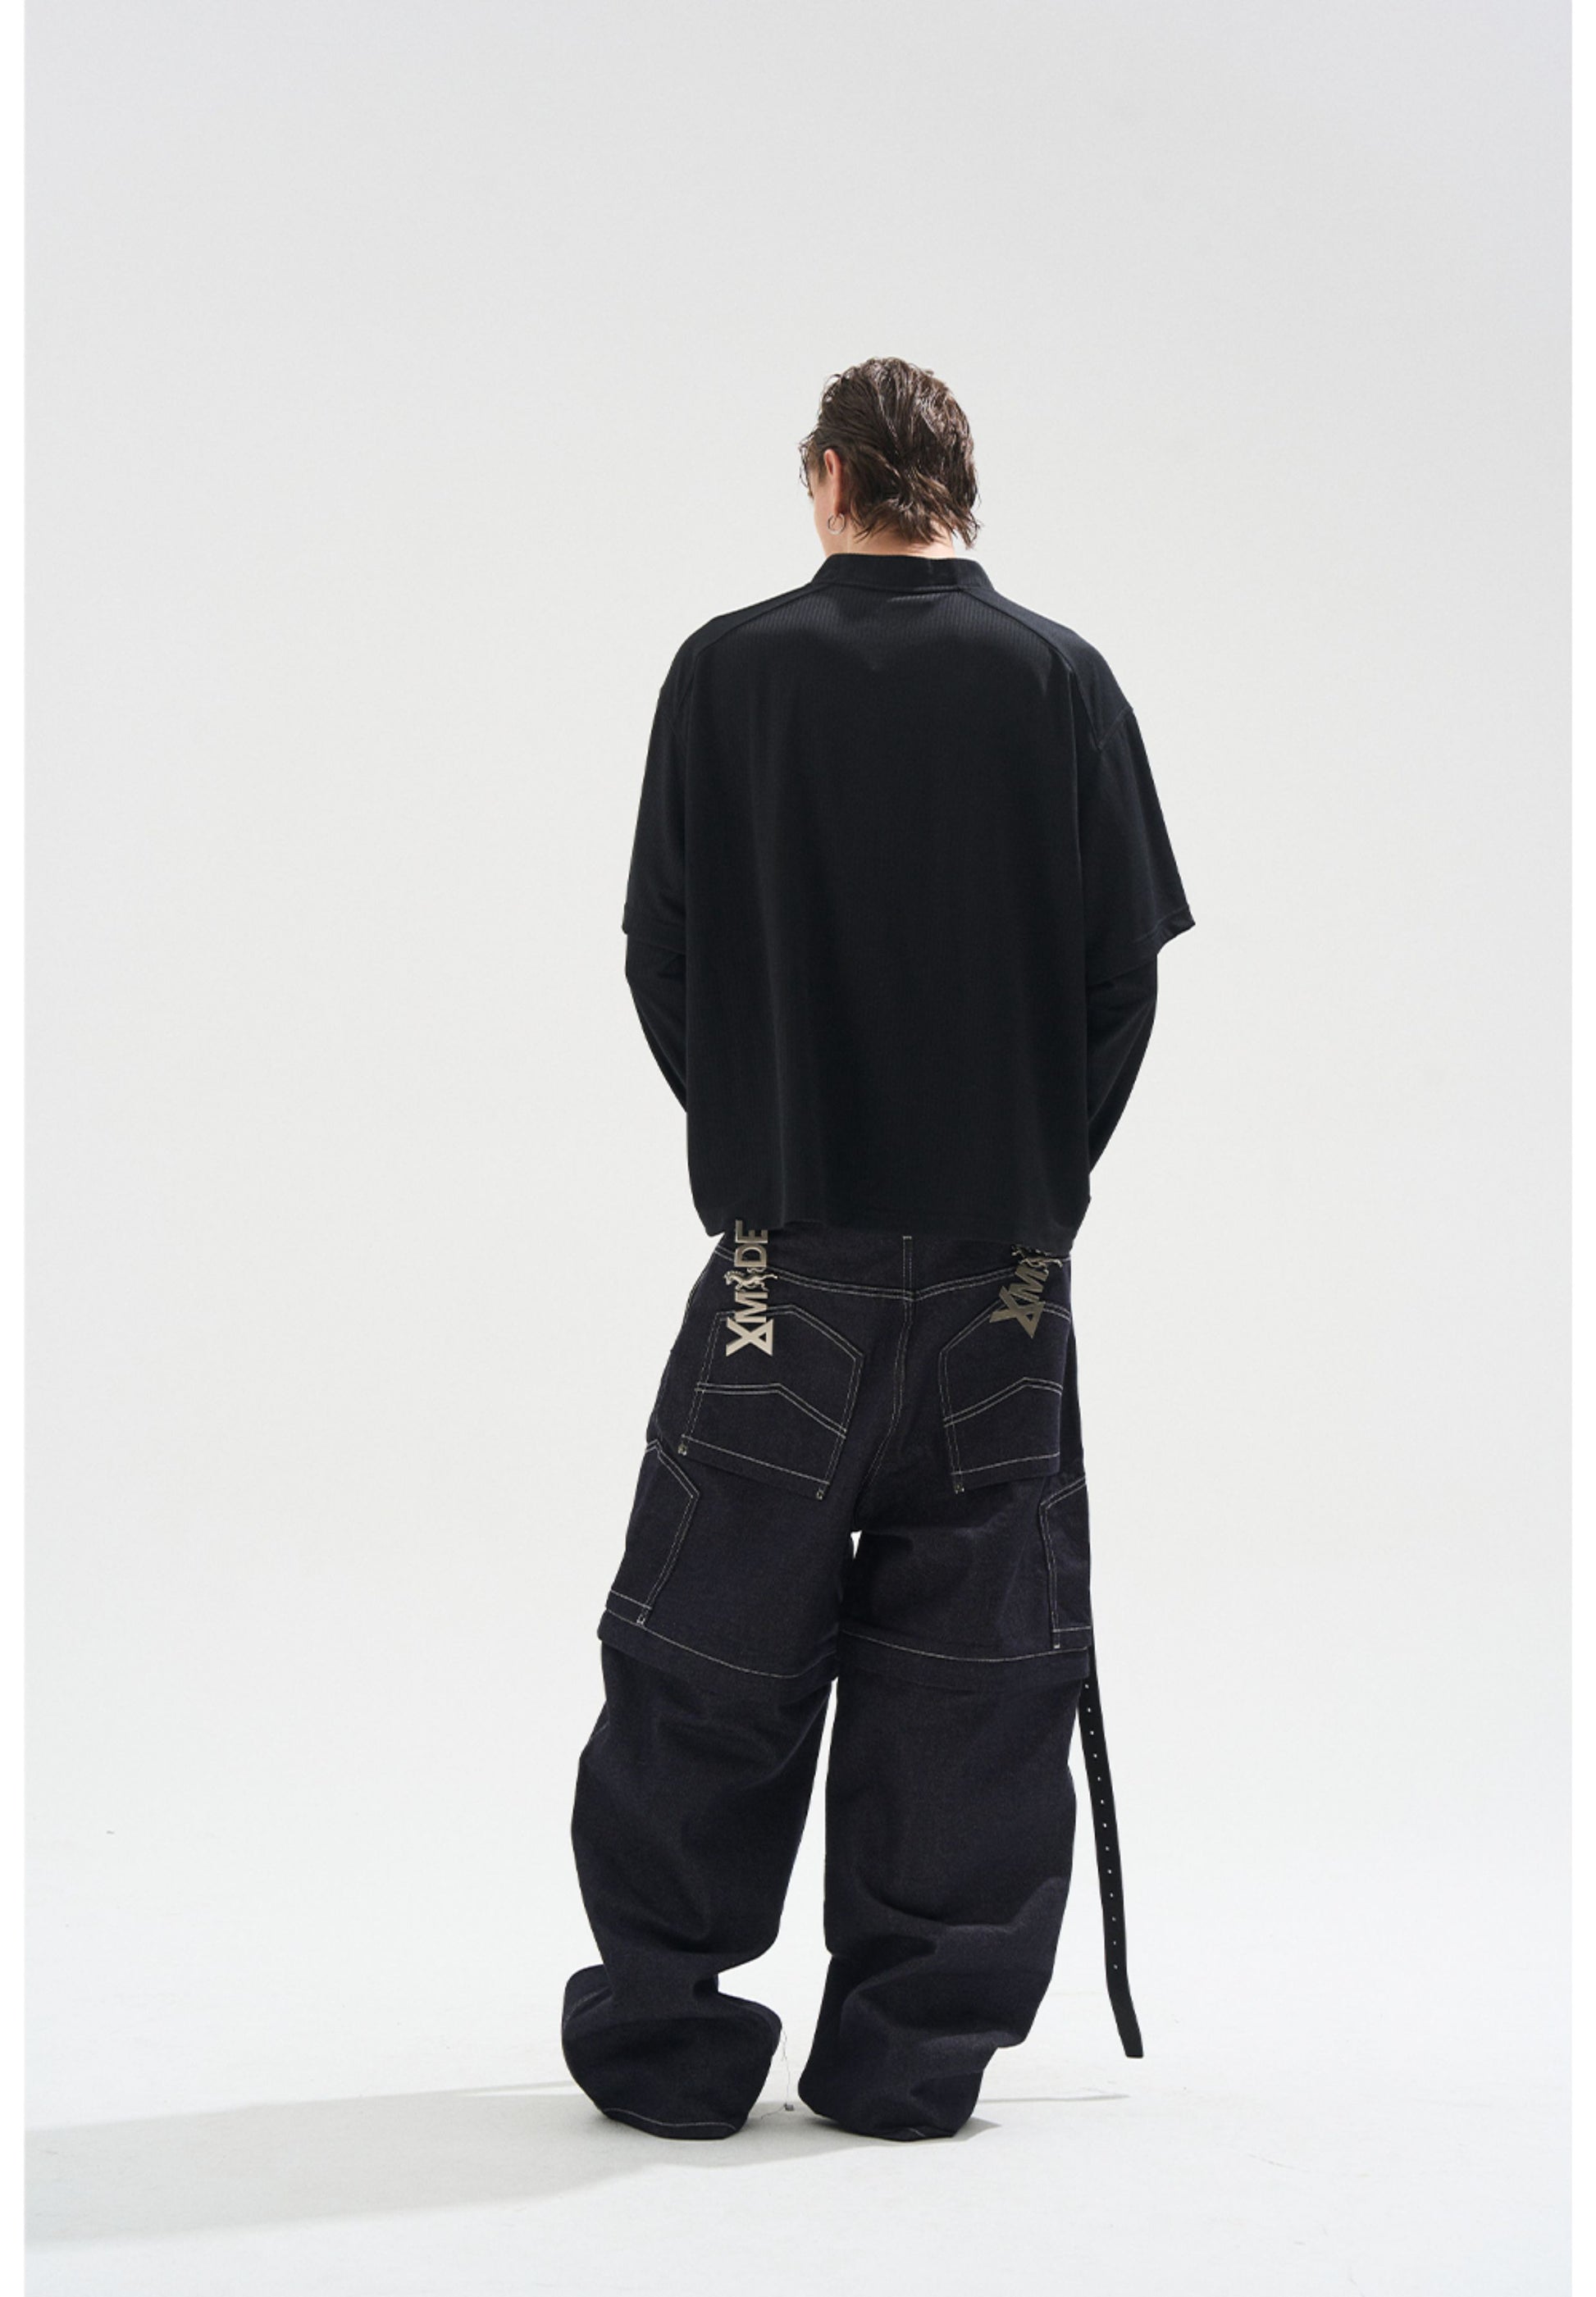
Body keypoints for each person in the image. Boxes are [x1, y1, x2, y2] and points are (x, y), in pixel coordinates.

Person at [561, 356, 1194, 2144]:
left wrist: (763, 1128)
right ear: (958, 484)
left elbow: (662, 953)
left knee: (706, 1656)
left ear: (829, 476)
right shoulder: (1060, 679)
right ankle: (911, 2065)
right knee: (973, 1681)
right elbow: (1122, 976)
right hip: (1005, 1274)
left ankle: (669, 2044)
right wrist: (1033, 1175)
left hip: (785, 1266)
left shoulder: (726, 671)